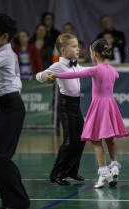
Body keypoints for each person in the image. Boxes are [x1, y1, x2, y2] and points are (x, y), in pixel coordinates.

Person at [48, 38, 129, 188]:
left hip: (99, 106)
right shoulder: (112, 70)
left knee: (96, 140)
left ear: (94, 54)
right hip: (111, 105)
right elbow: (117, 76)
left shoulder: (95, 69)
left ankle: (103, 172)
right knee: (111, 140)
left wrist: (57, 75)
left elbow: (73, 75)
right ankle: (114, 165)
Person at [36, 33, 86, 185]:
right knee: (70, 140)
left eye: (78, 46)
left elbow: (89, 71)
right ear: (63, 50)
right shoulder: (58, 65)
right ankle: (56, 174)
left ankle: (71, 170)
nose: (78, 49)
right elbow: (40, 74)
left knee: (82, 138)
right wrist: (45, 77)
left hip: (76, 105)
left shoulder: (76, 65)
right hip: (65, 106)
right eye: (74, 46)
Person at [0, 14, 30, 209]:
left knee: (0, 156)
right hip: (4, 106)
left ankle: (18, 201)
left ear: (4, 36)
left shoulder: (5, 54)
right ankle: (13, 201)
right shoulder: (3, 52)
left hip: (11, 107)